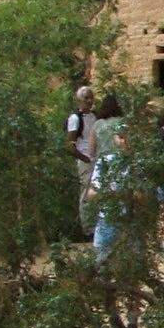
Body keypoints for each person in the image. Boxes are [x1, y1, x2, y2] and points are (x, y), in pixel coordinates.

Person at [90, 123, 145, 328]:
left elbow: (143, 195)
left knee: (132, 274)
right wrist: (113, 193)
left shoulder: (139, 164)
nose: (124, 141)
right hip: (108, 221)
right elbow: (92, 192)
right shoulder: (105, 162)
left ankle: (132, 323)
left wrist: (129, 194)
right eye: (120, 136)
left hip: (131, 222)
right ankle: (113, 318)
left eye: (127, 136)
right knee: (102, 274)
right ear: (115, 138)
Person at [67, 86, 97, 231]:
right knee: (86, 194)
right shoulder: (75, 119)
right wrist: (85, 159)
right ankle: (87, 228)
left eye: (91, 98)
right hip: (86, 160)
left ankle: (96, 225)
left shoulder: (95, 116)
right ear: (79, 100)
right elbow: (70, 145)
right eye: (86, 98)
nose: (89, 101)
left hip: (97, 159)